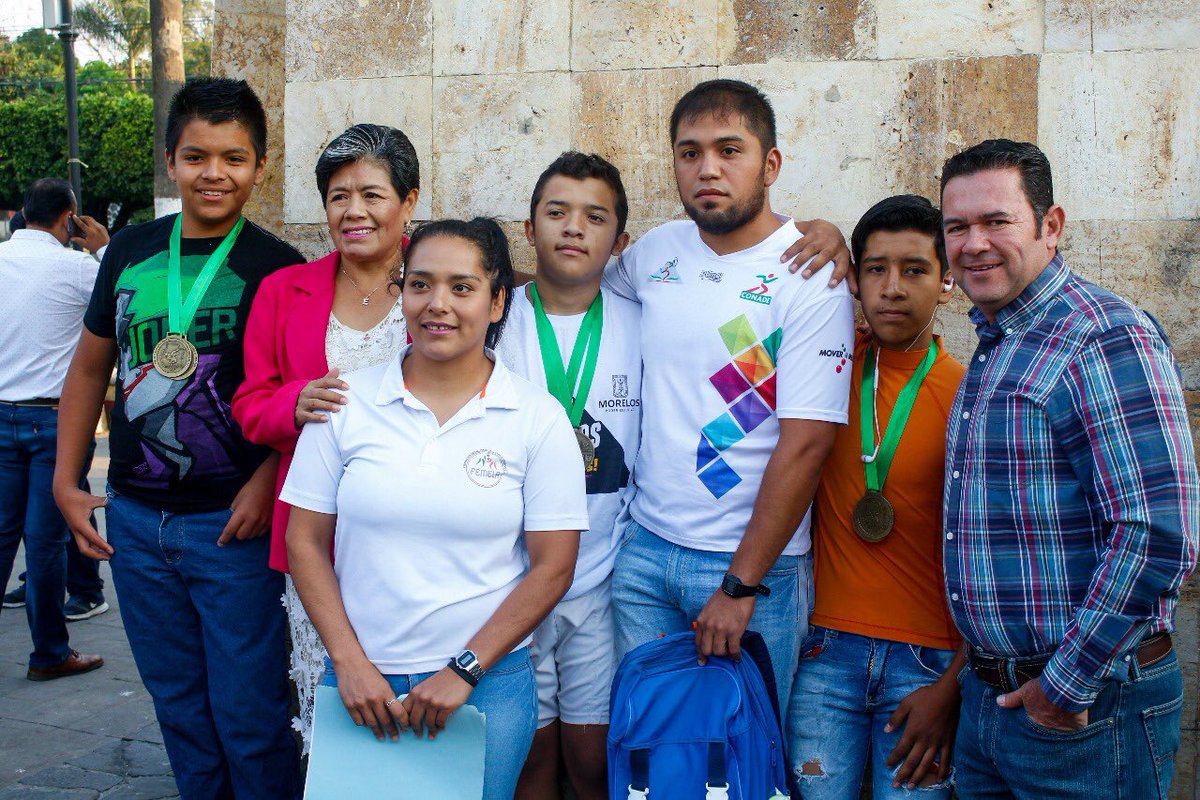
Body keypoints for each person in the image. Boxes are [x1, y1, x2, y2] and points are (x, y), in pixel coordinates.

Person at [53, 77, 303, 799]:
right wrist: (68, 483)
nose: (214, 173)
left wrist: (265, 482)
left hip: (234, 531)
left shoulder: (277, 268)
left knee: (251, 713)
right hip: (134, 521)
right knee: (180, 710)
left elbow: (294, 398)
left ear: (260, 165)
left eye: (233, 157)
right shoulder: (128, 251)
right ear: (171, 161)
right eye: (197, 156)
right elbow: (88, 370)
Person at [283, 217, 588, 799]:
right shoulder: (345, 403)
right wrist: (348, 663)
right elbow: (304, 540)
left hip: (485, 689)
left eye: (462, 287)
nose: (437, 305)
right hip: (359, 683)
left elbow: (554, 566)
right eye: (419, 284)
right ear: (401, 294)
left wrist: (463, 671)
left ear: (498, 302)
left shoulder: (536, 418)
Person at [939, 139, 1199, 799]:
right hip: (997, 704)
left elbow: (1158, 531)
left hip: (1085, 711)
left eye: (997, 221)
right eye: (957, 227)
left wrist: (1064, 688)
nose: (974, 243)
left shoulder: (1102, 336)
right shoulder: (1000, 344)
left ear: (1050, 226)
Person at [605, 78, 855, 710]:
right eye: (689, 153)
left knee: (744, 759)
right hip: (643, 555)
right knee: (656, 749)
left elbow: (806, 446)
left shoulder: (809, 275)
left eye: (729, 150)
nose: (707, 169)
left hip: (752, 575)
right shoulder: (655, 252)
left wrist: (739, 587)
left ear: (770, 164)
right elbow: (567, 286)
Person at [232, 122, 418, 748]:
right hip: (320, 536)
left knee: (420, 707)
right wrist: (294, 403)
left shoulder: (436, 280)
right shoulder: (286, 290)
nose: (354, 211)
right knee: (336, 713)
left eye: (372, 194)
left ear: (408, 202)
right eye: (339, 196)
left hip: (420, 534)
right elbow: (250, 405)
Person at [786, 195, 965, 798]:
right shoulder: (823, 364)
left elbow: (994, 554)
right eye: (875, 268)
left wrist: (955, 685)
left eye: (914, 270)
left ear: (947, 282)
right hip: (822, 655)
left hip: (927, 665)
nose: (892, 287)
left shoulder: (968, 394)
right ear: (854, 279)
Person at [501, 152, 639, 800]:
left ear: (621, 240)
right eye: (555, 212)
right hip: (511, 581)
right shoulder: (496, 320)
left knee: (593, 761)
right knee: (529, 759)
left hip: (603, 583)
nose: (573, 228)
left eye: (594, 217)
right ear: (529, 229)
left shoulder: (644, 321)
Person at [0, 177, 109, 680]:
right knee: (44, 543)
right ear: (69, 218)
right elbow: (120, 300)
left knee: (3, 537)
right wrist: (104, 248)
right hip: (54, 420)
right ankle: (48, 653)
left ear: (22, 214)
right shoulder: (77, 267)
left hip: (2, 413)